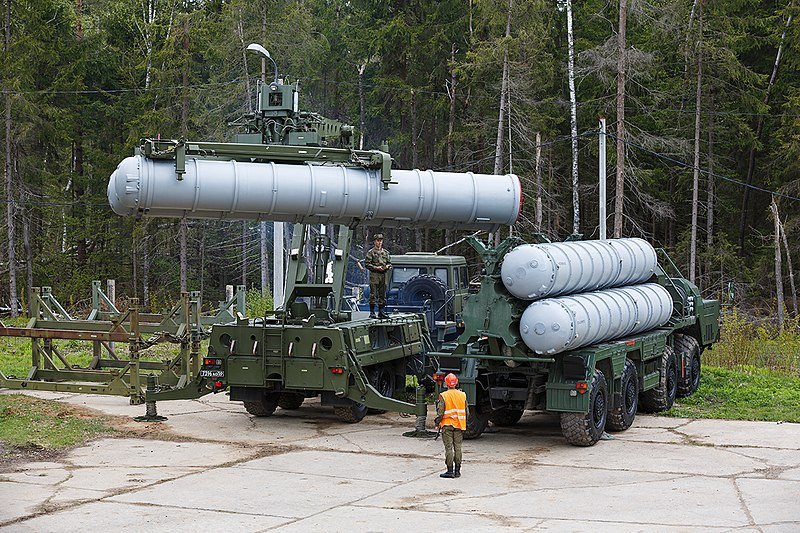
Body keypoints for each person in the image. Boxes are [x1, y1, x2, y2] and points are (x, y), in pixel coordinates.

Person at [434, 373, 468, 478]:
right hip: (459, 425)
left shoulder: (444, 396)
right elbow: (467, 411)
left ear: (446, 383)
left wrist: (437, 423)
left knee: (449, 448)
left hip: (447, 426)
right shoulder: (463, 395)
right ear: (456, 382)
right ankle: (457, 471)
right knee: (458, 448)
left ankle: (449, 471)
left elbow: (440, 412)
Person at [364, 233, 391, 319]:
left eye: (380, 241)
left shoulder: (385, 253)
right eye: (377, 241)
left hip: (383, 274)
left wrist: (386, 267)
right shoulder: (371, 253)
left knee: (382, 293)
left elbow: (389, 263)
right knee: (373, 293)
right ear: (375, 242)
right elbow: (367, 264)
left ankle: (381, 311)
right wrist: (376, 267)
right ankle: (372, 312)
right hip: (374, 274)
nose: (379, 243)